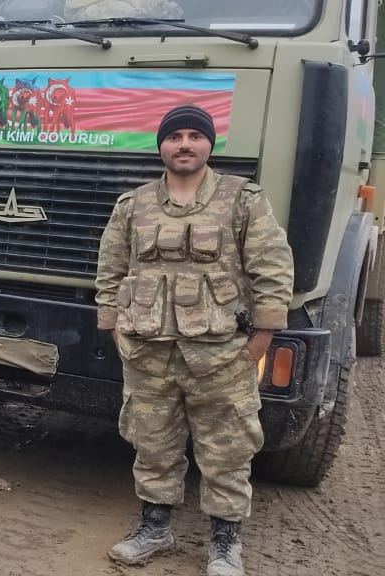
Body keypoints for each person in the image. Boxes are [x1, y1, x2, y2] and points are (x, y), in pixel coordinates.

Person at [93, 104, 294, 576]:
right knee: (152, 442)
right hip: (149, 351)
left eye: (194, 136)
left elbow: (272, 267)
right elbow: (111, 267)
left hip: (221, 352)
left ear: (209, 144)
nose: (185, 144)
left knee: (227, 447)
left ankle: (225, 545)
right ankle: (154, 529)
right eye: (175, 136)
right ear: (161, 146)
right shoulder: (133, 204)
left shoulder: (242, 199)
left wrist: (262, 337)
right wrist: (114, 323)